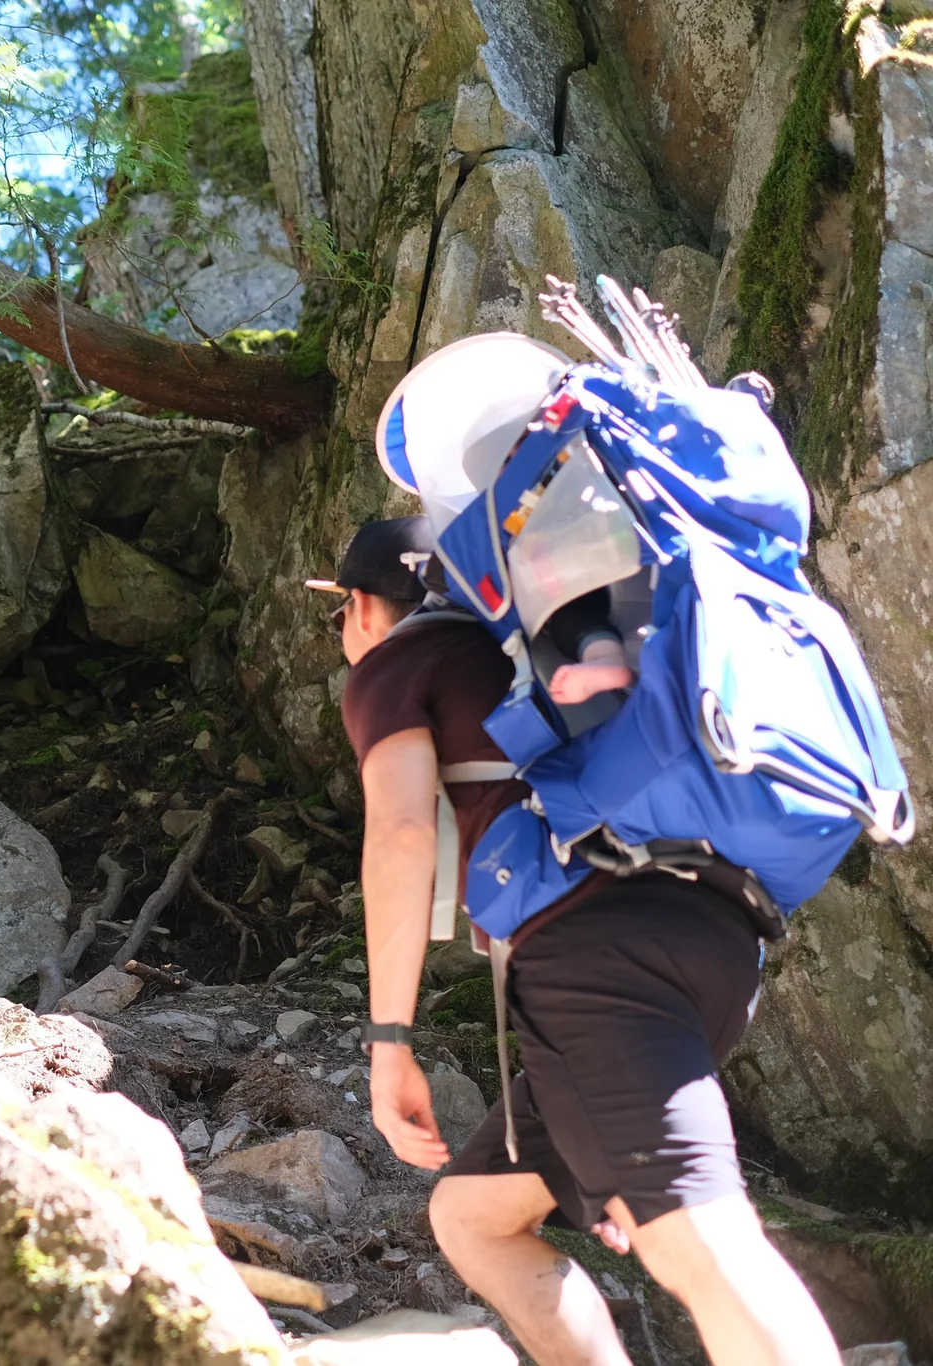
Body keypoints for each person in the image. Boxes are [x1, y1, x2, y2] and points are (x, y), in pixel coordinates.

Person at [314, 517, 842, 1366]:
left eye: (339, 611)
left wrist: (389, 1044)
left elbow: (403, 836)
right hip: (719, 940)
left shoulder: (399, 663)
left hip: (597, 959)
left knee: (701, 1243)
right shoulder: (554, 654)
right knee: (473, 1215)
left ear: (364, 607)